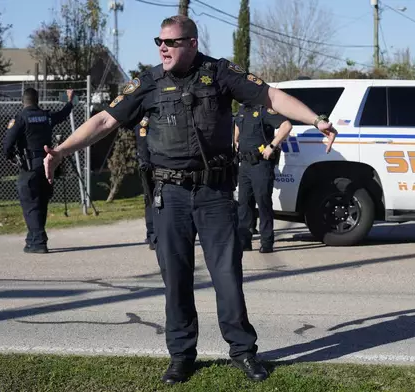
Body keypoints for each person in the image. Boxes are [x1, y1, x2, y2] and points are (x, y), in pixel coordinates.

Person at [42, 15, 337, 384]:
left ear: (192, 43)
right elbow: (104, 121)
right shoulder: (148, 82)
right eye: (158, 42)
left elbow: (272, 96)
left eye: (171, 42)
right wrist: (62, 150)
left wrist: (317, 119)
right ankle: (182, 356)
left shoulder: (220, 73)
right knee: (176, 279)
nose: (162, 48)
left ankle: (243, 352)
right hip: (170, 195)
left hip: (214, 193)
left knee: (228, 276)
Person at [3, 88, 75, 253]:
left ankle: (39, 242)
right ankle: (32, 239)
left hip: (29, 166)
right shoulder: (46, 116)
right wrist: (70, 102)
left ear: (23, 101)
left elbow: (8, 142)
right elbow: (63, 114)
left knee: (30, 204)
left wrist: (10, 157)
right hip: (47, 165)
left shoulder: (20, 118)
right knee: (41, 203)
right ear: (37, 100)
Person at [235, 104, 292, 253]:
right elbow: (237, 125)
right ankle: (244, 241)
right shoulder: (242, 110)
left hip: (261, 164)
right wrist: (235, 140)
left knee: (263, 202)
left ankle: (266, 242)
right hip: (245, 164)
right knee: (244, 204)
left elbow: (286, 126)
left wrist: (272, 146)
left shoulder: (264, 110)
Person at [135, 115, 156, 250]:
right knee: (149, 198)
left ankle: (155, 233)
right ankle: (152, 234)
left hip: (162, 161)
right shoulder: (143, 119)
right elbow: (142, 140)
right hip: (147, 163)